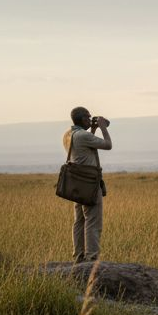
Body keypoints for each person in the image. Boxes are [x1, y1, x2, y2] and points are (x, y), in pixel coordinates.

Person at [62, 106, 112, 263]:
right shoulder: (82, 135)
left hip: (77, 182)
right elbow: (108, 145)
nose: (90, 120)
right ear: (82, 119)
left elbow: (84, 147)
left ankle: (79, 256)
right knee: (93, 220)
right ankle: (92, 257)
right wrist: (103, 128)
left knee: (79, 220)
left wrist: (93, 130)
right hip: (89, 182)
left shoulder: (69, 134)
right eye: (88, 117)